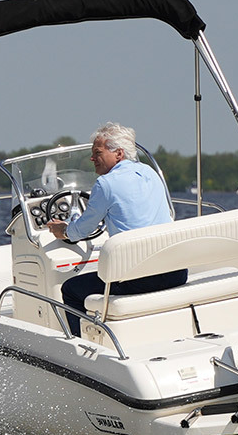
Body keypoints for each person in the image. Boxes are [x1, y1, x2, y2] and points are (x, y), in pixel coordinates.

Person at [50, 122, 186, 336]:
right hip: (175, 272)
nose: (92, 158)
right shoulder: (150, 172)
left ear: (119, 154)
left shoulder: (105, 184)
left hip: (140, 277)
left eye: (97, 153)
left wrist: (63, 231)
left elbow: (82, 230)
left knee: (71, 289)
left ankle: (83, 346)